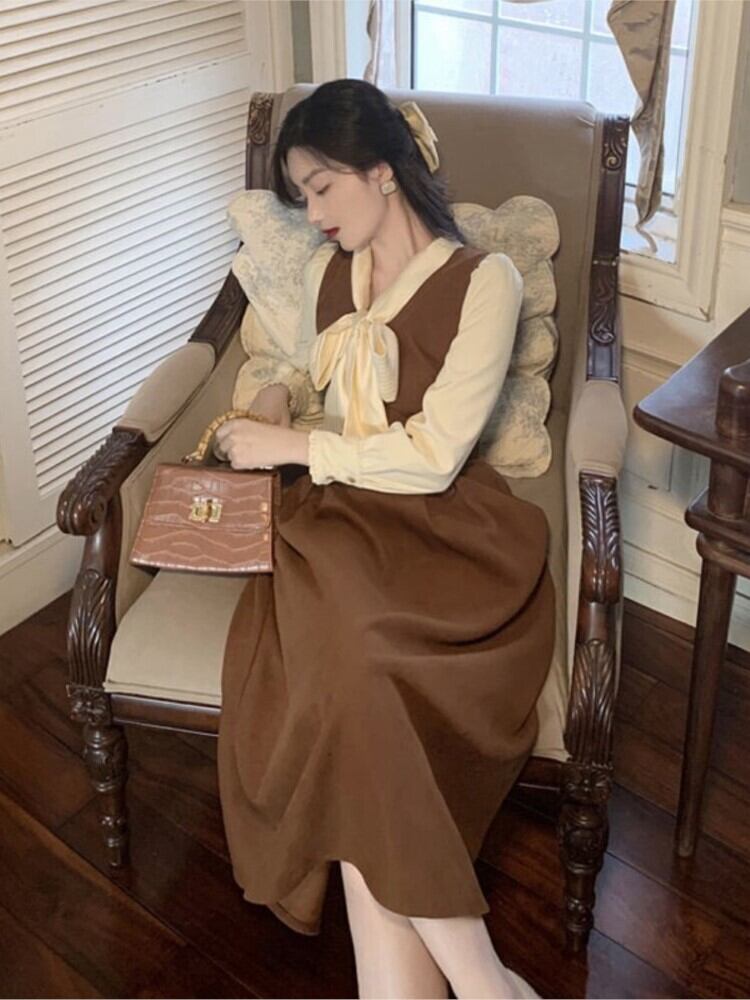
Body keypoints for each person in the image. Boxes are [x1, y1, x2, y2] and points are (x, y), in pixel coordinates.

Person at [215, 78, 555, 1000]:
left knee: (354, 677)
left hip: (446, 533)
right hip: (335, 523)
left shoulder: (486, 281)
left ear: (383, 171)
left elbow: (437, 454)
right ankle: (481, 986)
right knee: (354, 680)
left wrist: (295, 445)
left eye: (323, 187)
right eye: (301, 195)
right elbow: (305, 370)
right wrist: (278, 396)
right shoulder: (328, 276)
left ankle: (479, 986)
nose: (313, 213)